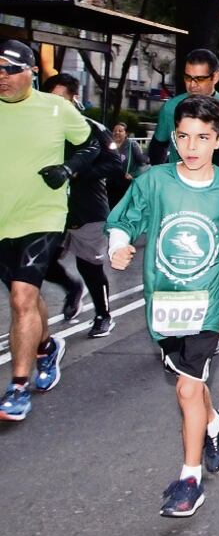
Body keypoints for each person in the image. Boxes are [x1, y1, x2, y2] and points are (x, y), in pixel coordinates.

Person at [106, 95, 219, 517]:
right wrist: (118, 247)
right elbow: (125, 220)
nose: (193, 146)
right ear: (174, 138)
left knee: (187, 386)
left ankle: (189, 480)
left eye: (203, 138)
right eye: (185, 137)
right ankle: (215, 423)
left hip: (208, 301)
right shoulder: (154, 182)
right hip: (164, 299)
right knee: (187, 379)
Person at [0, 40, 96, 421]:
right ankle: (45, 348)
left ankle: (18, 387)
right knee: (26, 296)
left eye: (9, 70)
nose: (2, 77)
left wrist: (68, 170)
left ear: (30, 73)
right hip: (3, 220)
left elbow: (94, 145)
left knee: (22, 298)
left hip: (42, 217)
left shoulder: (56, 108)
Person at [40, 73, 124, 338]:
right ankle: (72, 288)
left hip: (87, 209)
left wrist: (74, 173)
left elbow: (115, 163)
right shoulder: (36, 128)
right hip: (47, 211)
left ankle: (103, 315)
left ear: (74, 99)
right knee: (41, 263)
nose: (57, 104)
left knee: (90, 266)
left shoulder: (92, 128)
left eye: (62, 99)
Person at [150, 49, 219, 176]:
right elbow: (157, 148)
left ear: (215, 77)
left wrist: (210, 185)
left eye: (200, 79)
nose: (192, 85)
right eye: (188, 77)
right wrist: (166, 179)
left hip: (216, 188)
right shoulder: (170, 108)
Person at [108, 121, 148, 208]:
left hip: (126, 182)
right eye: (115, 131)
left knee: (124, 207)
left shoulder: (132, 145)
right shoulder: (109, 145)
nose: (117, 132)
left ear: (126, 133)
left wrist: (133, 174)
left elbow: (143, 163)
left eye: (120, 131)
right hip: (111, 182)